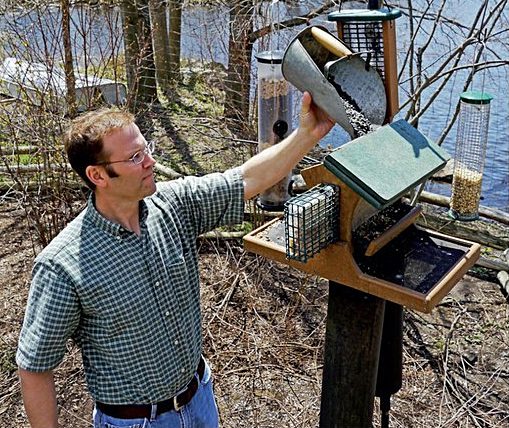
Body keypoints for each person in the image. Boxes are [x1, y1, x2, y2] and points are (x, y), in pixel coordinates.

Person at [16, 91, 334, 428]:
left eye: (146, 148)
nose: (150, 161)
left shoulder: (174, 206)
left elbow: (246, 178)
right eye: (135, 157)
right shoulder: (63, 266)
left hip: (200, 401)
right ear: (98, 176)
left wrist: (306, 135)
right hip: (136, 422)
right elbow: (35, 367)